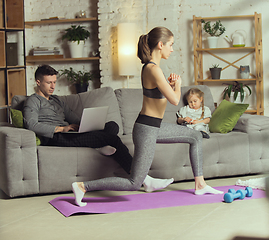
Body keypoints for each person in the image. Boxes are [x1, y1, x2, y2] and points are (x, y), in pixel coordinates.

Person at [71, 27, 223, 207]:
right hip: (146, 130)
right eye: (170, 45)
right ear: (160, 45)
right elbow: (175, 100)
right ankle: (82, 186)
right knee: (134, 182)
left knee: (195, 136)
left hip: (154, 127)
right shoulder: (153, 69)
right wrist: (178, 84)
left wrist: (170, 84)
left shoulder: (153, 69)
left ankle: (200, 184)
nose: (172, 49)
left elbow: (162, 98)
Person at [23, 65, 173, 193]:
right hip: (58, 136)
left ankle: (99, 144)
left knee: (112, 125)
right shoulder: (33, 101)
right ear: (38, 82)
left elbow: (74, 118)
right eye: (49, 83)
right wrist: (60, 129)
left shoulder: (57, 100)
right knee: (113, 139)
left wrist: (91, 123)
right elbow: (31, 124)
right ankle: (145, 179)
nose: (53, 86)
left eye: (54, 82)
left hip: (70, 132)